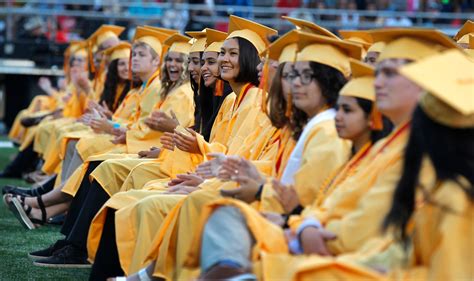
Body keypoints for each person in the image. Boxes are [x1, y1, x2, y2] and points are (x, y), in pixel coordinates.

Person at [185, 28, 461, 280]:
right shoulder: (384, 146)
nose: (377, 81)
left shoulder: (421, 153)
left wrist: (295, 222)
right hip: (321, 235)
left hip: (353, 255)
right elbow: (338, 201)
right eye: (291, 74)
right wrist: (300, 223)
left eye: (389, 73)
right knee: (220, 212)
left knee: (219, 215)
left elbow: (370, 223)